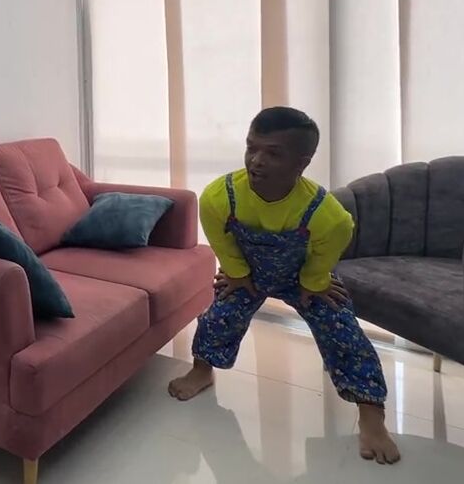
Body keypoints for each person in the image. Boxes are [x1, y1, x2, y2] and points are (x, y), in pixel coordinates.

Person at [167, 107, 401, 465]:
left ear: (301, 163)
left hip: (304, 280)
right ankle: (202, 370)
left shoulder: (326, 213)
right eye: (251, 147)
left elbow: (332, 245)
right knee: (218, 317)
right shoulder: (221, 196)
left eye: (273, 153)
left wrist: (314, 281)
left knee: (342, 329)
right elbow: (218, 234)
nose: (256, 161)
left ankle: (371, 413)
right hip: (248, 274)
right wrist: (236, 272)